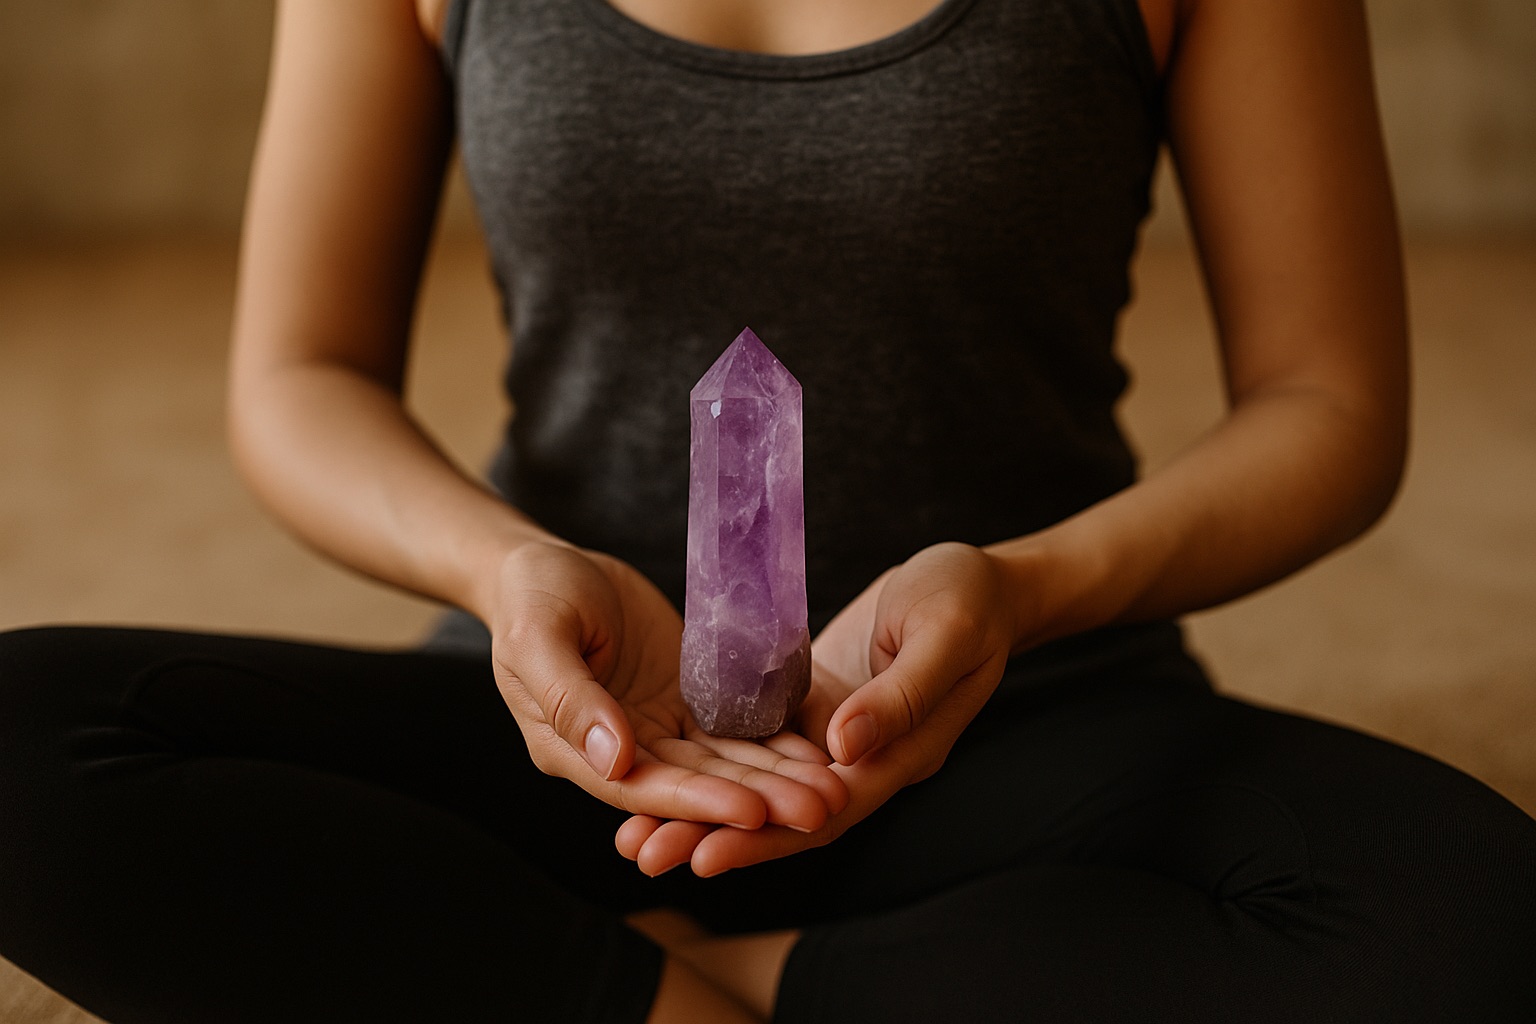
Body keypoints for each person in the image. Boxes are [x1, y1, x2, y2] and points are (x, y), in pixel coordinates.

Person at [2, 0, 1533, 1020]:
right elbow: (299, 373)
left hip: (1027, 723)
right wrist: (508, 568)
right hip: (586, 741)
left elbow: (1329, 406)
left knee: (1476, 919)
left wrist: (1022, 588)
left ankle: (662, 976)